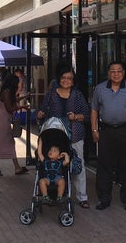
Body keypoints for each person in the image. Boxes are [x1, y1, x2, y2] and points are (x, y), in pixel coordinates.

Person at [90, 61, 126, 211]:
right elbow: (94, 110)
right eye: (113, 71)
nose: (116, 74)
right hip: (106, 131)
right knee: (104, 166)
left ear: (124, 73)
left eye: (119, 71)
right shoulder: (100, 89)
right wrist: (94, 130)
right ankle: (104, 199)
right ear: (108, 73)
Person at [37, 66, 91, 209]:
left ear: (73, 81)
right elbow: (42, 111)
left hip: (75, 134)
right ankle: (56, 194)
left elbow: (87, 115)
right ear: (58, 79)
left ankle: (82, 196)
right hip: (56, 137)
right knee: (57, 166)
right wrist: (40, 115)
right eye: (63, 77)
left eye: (69, 78)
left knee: (78, 164)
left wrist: (76, 117)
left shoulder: (77, 95)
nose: (66, 80)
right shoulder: (50, 94)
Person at [0, 72, 29, 176]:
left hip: (3, 119)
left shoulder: (7, 91)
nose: (19, 84)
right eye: (17, 83)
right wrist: (22, 107)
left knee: (8, 142)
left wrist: (24, 97)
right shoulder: (6, 92)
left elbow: (12, 100)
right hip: (2, 119)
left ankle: (17, 167)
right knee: (1, 143)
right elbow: (10, 107)